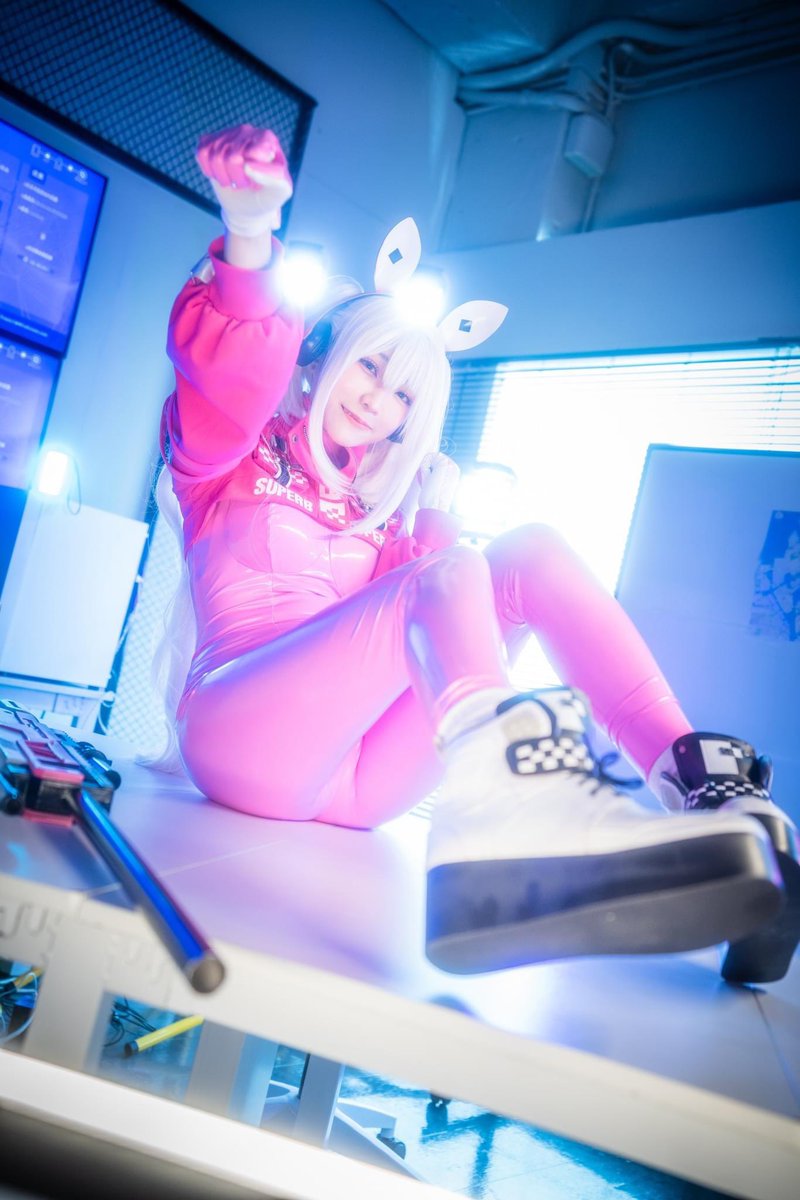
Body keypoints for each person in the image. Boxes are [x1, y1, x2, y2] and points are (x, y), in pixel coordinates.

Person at [159, 123, 799, 984]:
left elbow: (425, 633)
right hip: (241, 737)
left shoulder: (384, 526)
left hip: (358, 785)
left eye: (403, 395)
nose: (379, 401)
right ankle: (511, 822)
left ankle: (710, 792)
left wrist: (434, 517)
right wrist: (250, 231)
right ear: (319, 356)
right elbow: (232, 376)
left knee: (526, 550)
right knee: (455, 571)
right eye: (370, 367)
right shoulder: (226, 460)